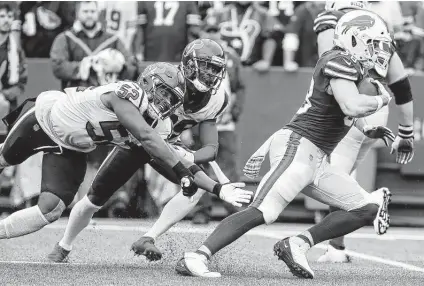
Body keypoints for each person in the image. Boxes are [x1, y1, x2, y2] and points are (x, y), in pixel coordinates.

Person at [175, 10, 395, 279]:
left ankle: (298, 243)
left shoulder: (355, 68)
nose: (377, 52)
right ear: (354, 39)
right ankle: (196, 256)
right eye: (373, 44)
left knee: (366, 208)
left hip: (318, 158)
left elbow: (345, 112)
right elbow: (350, 103)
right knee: (263, 209)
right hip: (299, 146)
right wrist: (381, 100)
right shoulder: (339, 59)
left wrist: (369, 128)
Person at [47, 39, 252, 262]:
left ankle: (148, 237)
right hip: (137, 142)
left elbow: (211, 149)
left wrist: (187, 156)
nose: (211, 74)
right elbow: (140, 122)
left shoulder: (216, 99)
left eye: (216, 69)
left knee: (195, 188)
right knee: (93, 200)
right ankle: (64, 245)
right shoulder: (164, 77)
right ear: (190, 64)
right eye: (206, 66)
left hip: (168, 148)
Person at [0, 62, 200, 240]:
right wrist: (182, 172)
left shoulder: (159, 124)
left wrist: (198, 179)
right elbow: (146, 135)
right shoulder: (130, 92)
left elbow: (160, 151)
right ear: (147, 82)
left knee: (51, 209)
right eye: (163, 92)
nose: (165, 101)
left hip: (71, 147)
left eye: (171, 99)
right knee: (2, 159)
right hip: (44, 119)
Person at [313, 0, 415, 263]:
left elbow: (328, 66)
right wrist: (406, 132)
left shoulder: (332, 20)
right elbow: (402, 86)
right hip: (378, 107)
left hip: (351, 105)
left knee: (330, 178)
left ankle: (372, 201)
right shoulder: (378, 28)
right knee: (343, 174)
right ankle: (337, 247)